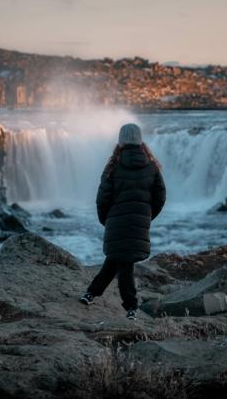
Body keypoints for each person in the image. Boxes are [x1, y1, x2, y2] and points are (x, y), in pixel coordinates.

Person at [79, 123, 166, 320]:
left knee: (121, 260)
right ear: (140, 141)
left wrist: (107, 220)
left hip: (116, 221)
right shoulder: (152, 167)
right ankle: (94, 295)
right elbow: (160, 197)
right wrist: (147, 216)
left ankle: (129, 307)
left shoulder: (113, 167)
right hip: (140, 221)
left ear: (121, 142)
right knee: (119, 260)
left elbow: (102, 199)